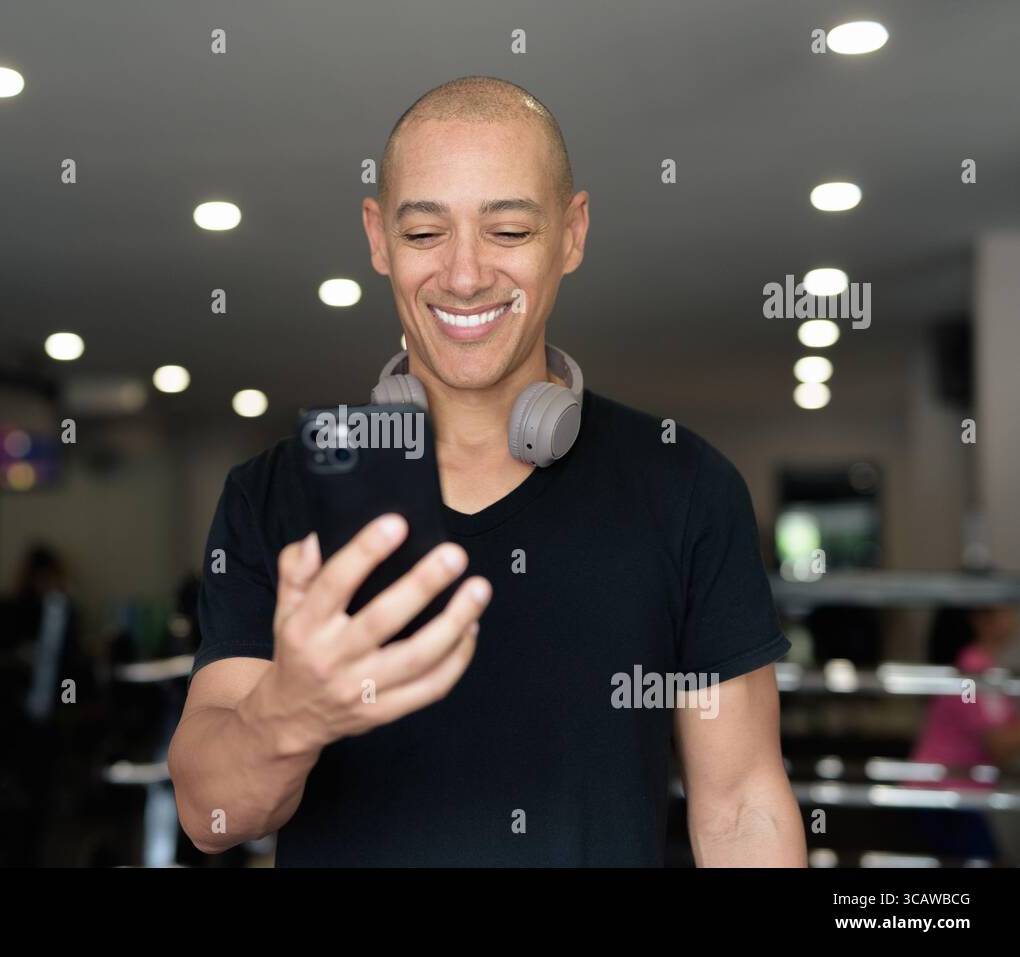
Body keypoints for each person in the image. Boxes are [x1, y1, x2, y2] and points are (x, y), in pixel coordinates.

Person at [168, 76, 806, 866]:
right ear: (376, 238)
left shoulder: (688, 487)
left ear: (571, 233)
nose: (464, 276)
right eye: (425, 234)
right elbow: (210, 817)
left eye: (507, 231)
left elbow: (742, 804)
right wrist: (289, 714)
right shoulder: (273, 494)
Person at [909, 603, 1020, 860]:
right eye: (1005, 607)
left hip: (952, 793)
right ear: (980, 620)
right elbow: (999, 745)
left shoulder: (984, 669)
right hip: (944, 795)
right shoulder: (973, 673)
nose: (1013, 615)